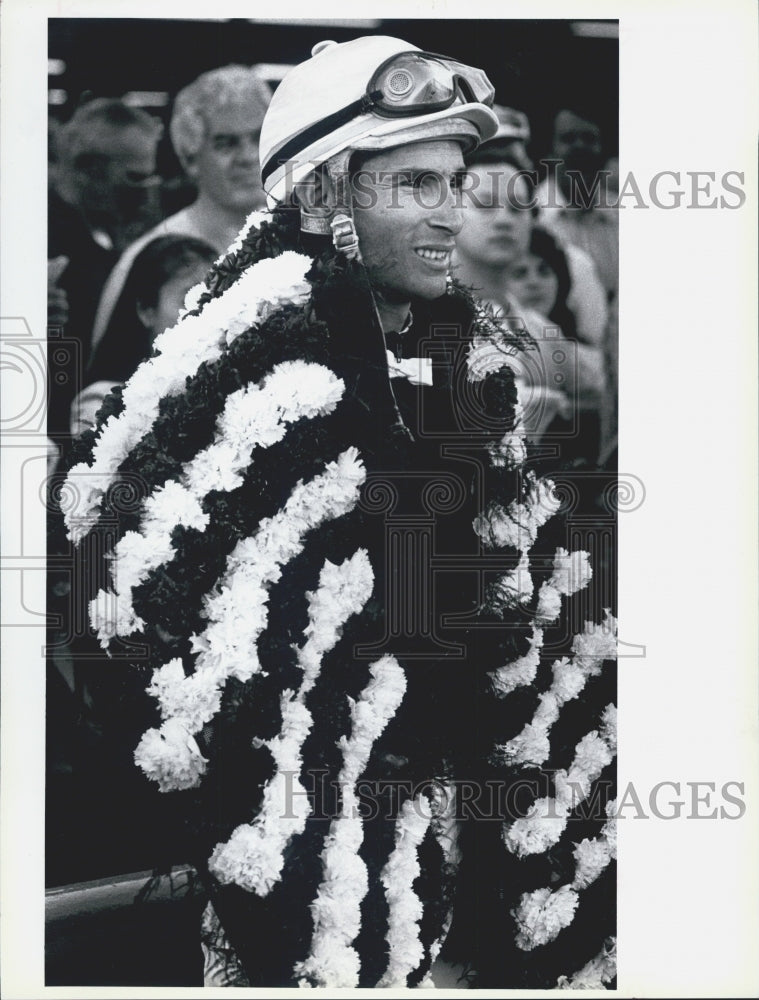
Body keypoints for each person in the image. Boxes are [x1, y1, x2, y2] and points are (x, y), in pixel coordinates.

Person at [60, 36, 617, 989]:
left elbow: (526, 620)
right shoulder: (256, 369)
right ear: (322, 197)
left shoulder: (452, 354)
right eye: (414, 186)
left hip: (463, 882)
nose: (450, 213)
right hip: (321, 910)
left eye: (455, 181)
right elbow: (186, 694)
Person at [90, 65, 272, 356]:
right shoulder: (151, 256)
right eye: (226, 144)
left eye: (258, 138)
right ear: (190, 158)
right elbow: (108, 383)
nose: (249, 157)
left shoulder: (306, 236)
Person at [453, 147, 607, 459]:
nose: (504, 220)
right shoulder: (421, 314)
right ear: (450, 209)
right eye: (484, 204)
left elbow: (601, 382)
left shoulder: (536, 328)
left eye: (517, 207)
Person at [48, 98, 163, 438]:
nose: (148, 192)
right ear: (91, 171)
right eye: (136, 178)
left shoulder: (109, 232)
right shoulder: (33, 240)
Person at [69, 234, 217, 437]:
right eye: (190, 299)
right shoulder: (102, 401)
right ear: (146, 310)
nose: (206, 312)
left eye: (215, 299)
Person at [536, 105, 619, 301]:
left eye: (590, 139)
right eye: (568, 139)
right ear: (549, 152)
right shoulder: (531, 216)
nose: (580, 147)